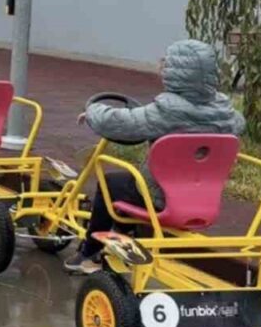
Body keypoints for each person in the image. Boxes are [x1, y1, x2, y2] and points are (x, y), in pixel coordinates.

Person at [65, 39, 246, 274]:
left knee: (111, 184)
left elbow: (120, 123)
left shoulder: (166, 111)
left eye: (166, 64)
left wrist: (93, 111)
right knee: (127, 185)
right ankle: (123, 235)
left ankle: (89, 253)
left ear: (176, 74)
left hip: (160, 198)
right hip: (205, 198)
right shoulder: (226, 112)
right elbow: (239, 123)